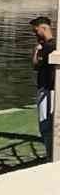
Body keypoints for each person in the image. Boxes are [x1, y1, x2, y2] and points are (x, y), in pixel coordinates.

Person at [33, 16, 55, 161]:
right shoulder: (44, 46)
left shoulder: (50, 47)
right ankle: (50, 154)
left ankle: (50, 156)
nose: (35, 34)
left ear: (44, 28)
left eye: (36, 31)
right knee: (46, 124)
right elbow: (35, 65)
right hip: (45, 88)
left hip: (48, 88)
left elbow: (36, 64)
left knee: (46, 125)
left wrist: (37, 51)